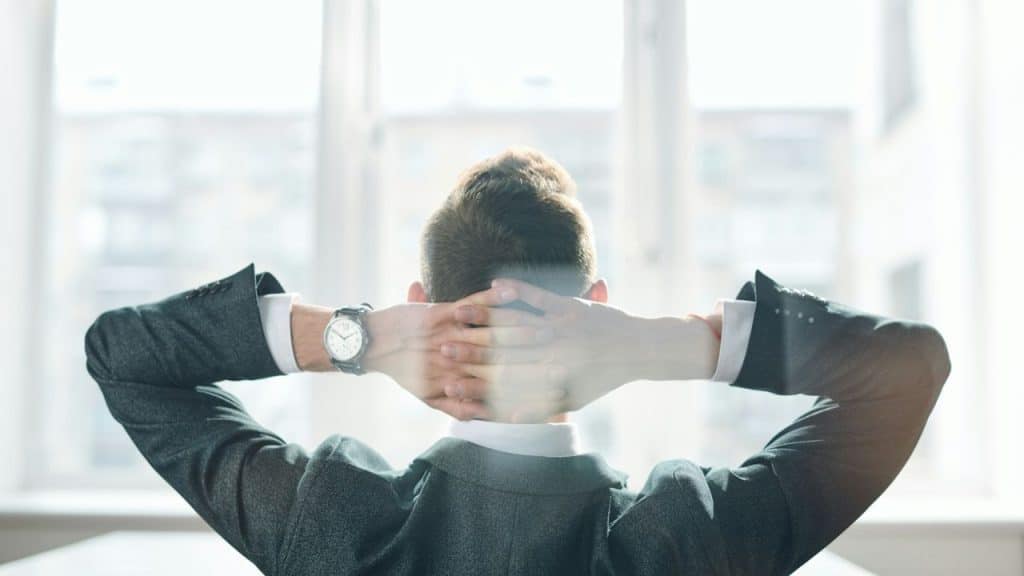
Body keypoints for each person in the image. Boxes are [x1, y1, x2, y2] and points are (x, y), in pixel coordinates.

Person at [85, 148, 950, 575]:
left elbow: (120, 355)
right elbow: (911, 369)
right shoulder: (687, 539)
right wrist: (667, 345)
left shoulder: (329, 522)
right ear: (597, 310)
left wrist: (356, 337)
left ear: (419, 305)